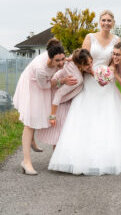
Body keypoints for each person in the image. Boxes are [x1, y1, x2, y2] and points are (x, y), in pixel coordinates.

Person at [48, 10, 121, 175]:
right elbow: (83, 58)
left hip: (107, 83)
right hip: (89, 80)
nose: (106, 23)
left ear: (113, 22)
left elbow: (116, 60)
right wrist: (94, 74)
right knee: (86, 117)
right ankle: (80, 158)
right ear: (99, 22)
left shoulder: (117, 40)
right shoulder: (90, 37)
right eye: (104, 20)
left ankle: (110, 157)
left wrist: (109, 73)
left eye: (109, 20)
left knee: (109, 117)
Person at [13, 39, 77, 175]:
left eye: (62, 59)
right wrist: (62, 81)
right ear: (50, 59)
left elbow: (65, 60)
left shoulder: (60, 58)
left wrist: (70, 60)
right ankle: (26, 162)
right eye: (57, 61)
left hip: (44, 84)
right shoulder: (40, 68)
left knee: (39, 114)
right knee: (30, 121)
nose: (61, 63)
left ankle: (32, 141)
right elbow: (45, 86)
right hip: (33, 86)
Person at [36, 49, 93, 147]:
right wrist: (52, 116)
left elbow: (71, 57)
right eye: (87, 65)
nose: (91, 66)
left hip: (59, 95)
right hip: (57, 101)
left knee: (62, 136)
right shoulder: (76, 78)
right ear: (80, 64)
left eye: (91, 62)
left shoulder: (72, 61)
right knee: (59, 137)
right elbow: (59, 94)